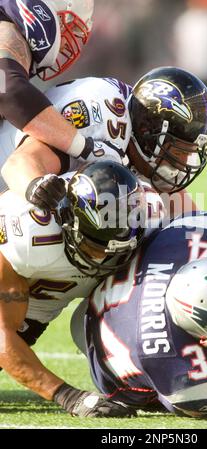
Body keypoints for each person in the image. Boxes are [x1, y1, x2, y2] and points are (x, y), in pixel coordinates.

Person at [70, 211, 207, 418]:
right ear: (203, 331)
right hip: (108, 362)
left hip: (102, 307)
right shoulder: (175, 364)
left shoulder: (189, 238)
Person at [0, 160, 146, 418]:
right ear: (68, 221)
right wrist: (69, 396)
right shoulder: (27, 233)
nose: (103, 257)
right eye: (95, 245)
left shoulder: (141, 215)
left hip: (32, 313)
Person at [1, 67, 207, 212]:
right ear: (147, 132)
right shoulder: (103, 119)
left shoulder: (135, 133)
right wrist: (43, 192)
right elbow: (18, 164)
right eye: (178, 151)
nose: (184, 162)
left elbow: (184, 217)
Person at [0, 0, 96, 170]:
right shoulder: (6, 29)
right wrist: (86, 148)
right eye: (69, 27)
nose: (65, 44)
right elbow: (7, 90)